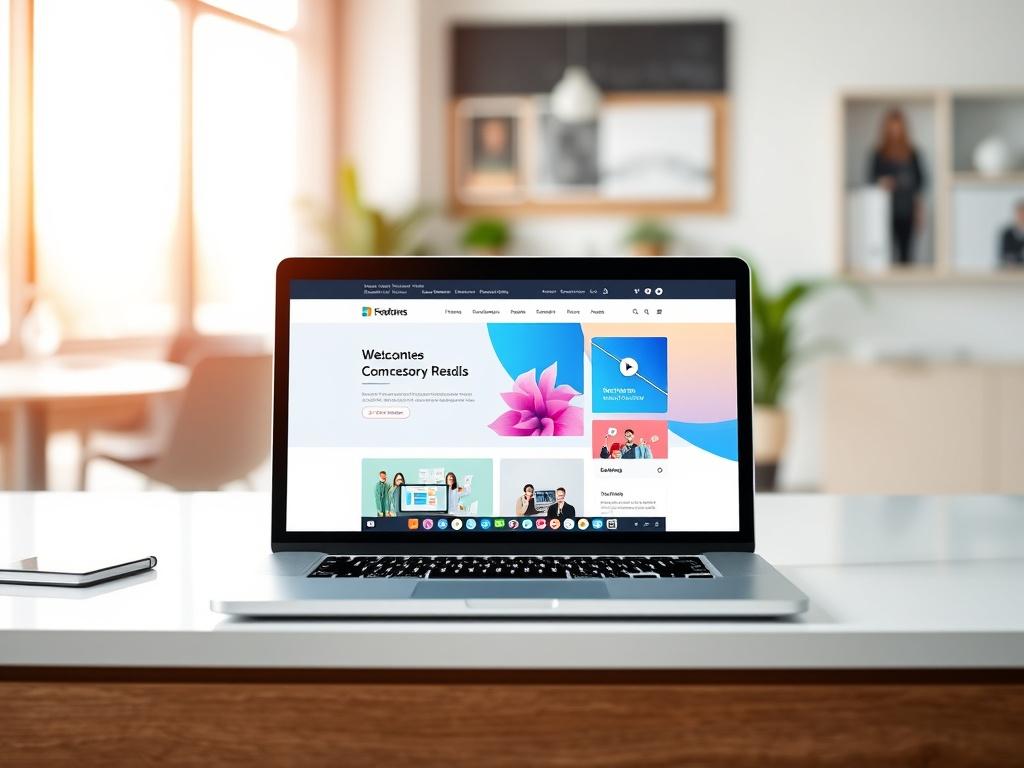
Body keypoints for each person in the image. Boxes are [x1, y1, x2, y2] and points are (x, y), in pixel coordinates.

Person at [869, 109, 925, 265]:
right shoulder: (879, 154)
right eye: (892, 128)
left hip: (907, 209)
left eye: (898, 128)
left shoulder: (912, 154)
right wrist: (882, 182)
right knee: (884, 253)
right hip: (885, 209)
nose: (895, 133)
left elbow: (920, 184)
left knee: (906, 255)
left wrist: (919, 212)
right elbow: (870, 179)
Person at [999, 199, 1024, 267]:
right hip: (1011, 271)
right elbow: (1004, 256)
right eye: (1020, 213)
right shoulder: (1007, 234)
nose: (1022, 216)